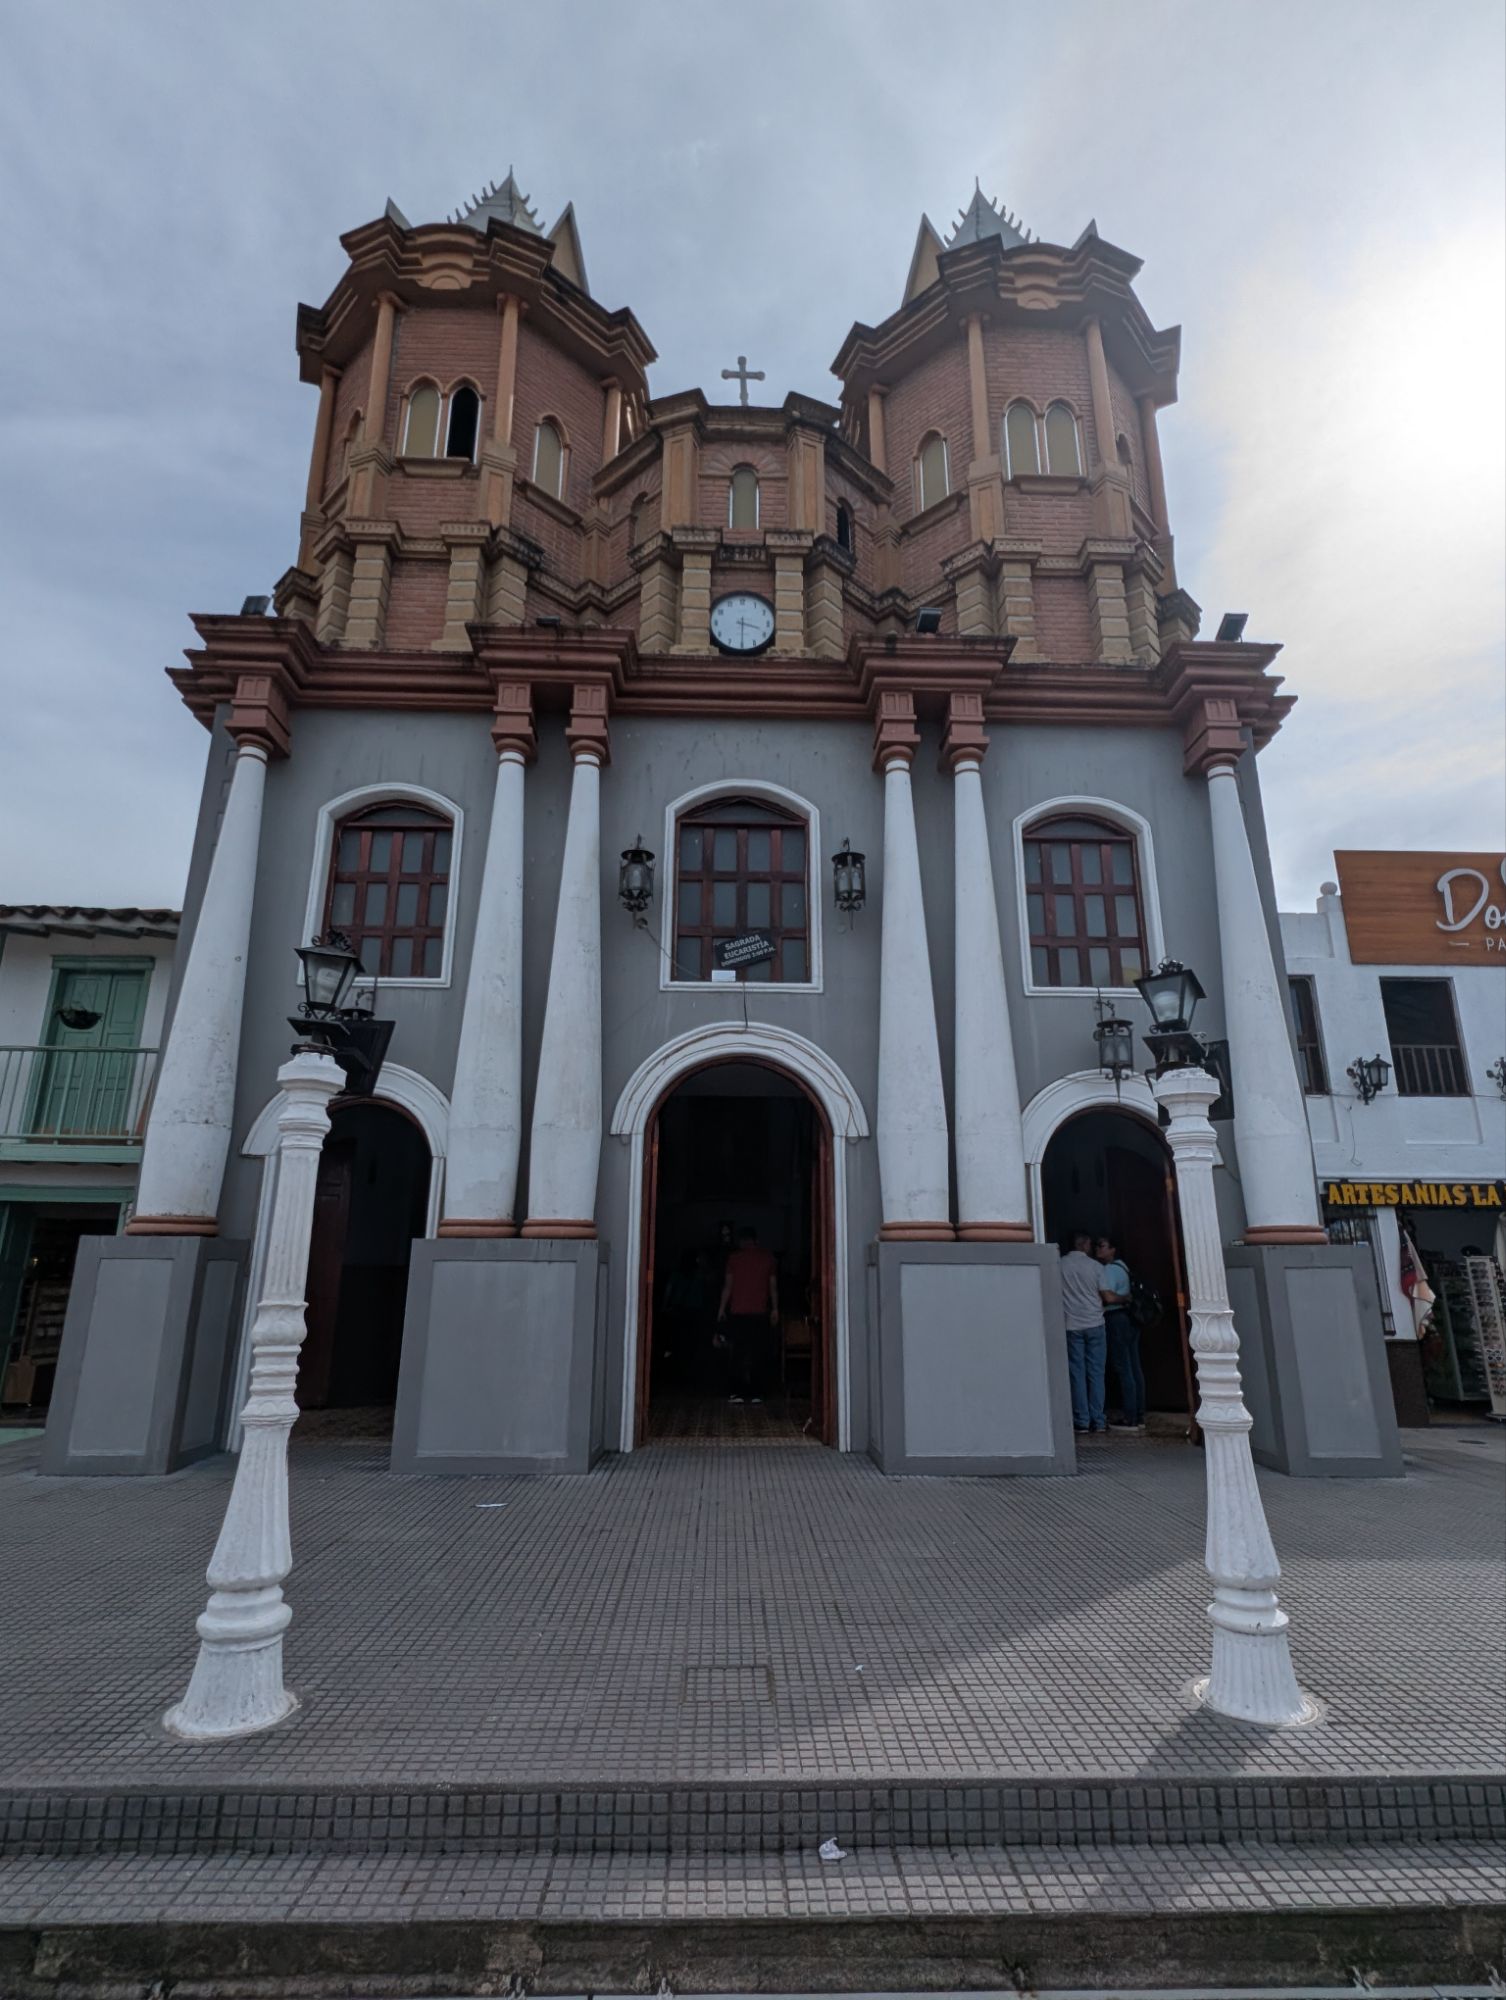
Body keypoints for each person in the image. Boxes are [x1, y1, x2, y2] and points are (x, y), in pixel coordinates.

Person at [717, 1225, 779, 1405]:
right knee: (759, 1353)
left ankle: (736, 1392)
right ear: (756, 1240)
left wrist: (721, 1309)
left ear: (741, 1241)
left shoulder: (734, 1259)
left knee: (738, 1353)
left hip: (738, 1312)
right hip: (759, 1312)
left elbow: (728, 1287)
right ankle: (757, 1392)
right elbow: (773, 1287)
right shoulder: (768, 1258)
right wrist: (775, 1309)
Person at [1058, 1231, 1108, 1434]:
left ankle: (1082, 1420)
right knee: (1096, 1373)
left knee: (1077, 1373)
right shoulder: (1096, 1267)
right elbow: (1105, 1294)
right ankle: (1099, 1419)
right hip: (1095, 1323)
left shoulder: (1060, 1265)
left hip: (1071, 1325)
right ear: (1085, 1245)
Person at [1096, 1235, 1145, 1434]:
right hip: (1130, 1319)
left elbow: (1108, 1297)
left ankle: (1130, 1417)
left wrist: (1121, 1298)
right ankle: (1139, 1414)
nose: (1098, 1249)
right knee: (1134, 1367)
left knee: (1124, 1368)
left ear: (1112, 1249)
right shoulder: (1123, 1267)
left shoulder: (1108, 1270)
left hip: (1116, 1318)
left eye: (1102, 1246)